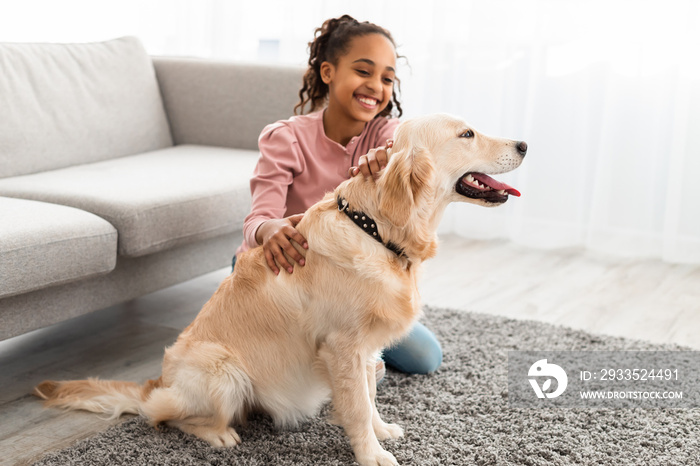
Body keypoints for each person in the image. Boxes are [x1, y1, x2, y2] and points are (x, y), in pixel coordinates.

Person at [234, 15, 442, 380]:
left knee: (425, 357)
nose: (376, 86)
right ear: (328, 72)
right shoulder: (286, 138)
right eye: (364, 71)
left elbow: (408, 145)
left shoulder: (386, 135)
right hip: (284, 271)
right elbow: (258, 219)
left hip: (347, 282)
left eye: (387, 78)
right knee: (323, 359)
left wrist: (392, 160)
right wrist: (270, 230)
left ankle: (330, 346)